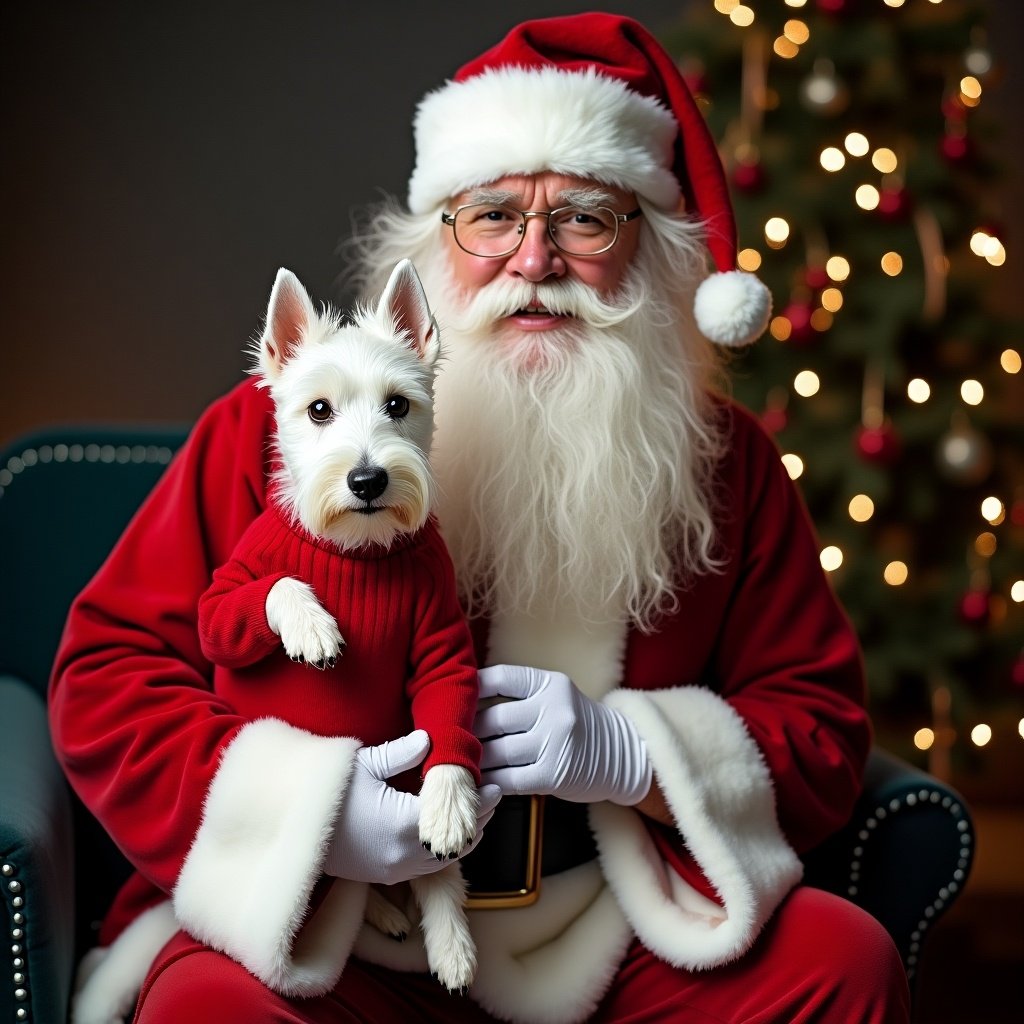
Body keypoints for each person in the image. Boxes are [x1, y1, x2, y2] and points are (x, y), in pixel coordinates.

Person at [50, 12, 911, 1024]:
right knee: (207, 1008)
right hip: (341, 928)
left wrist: (635, 755)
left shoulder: (725, 464)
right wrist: (313, 817)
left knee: (840, 959)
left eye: (586, 218)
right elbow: (105, 679)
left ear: (651, 252)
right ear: (436, 238)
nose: (533, 257)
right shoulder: (280, 429)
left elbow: (819, 727)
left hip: (615, 931)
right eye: (492, 214)